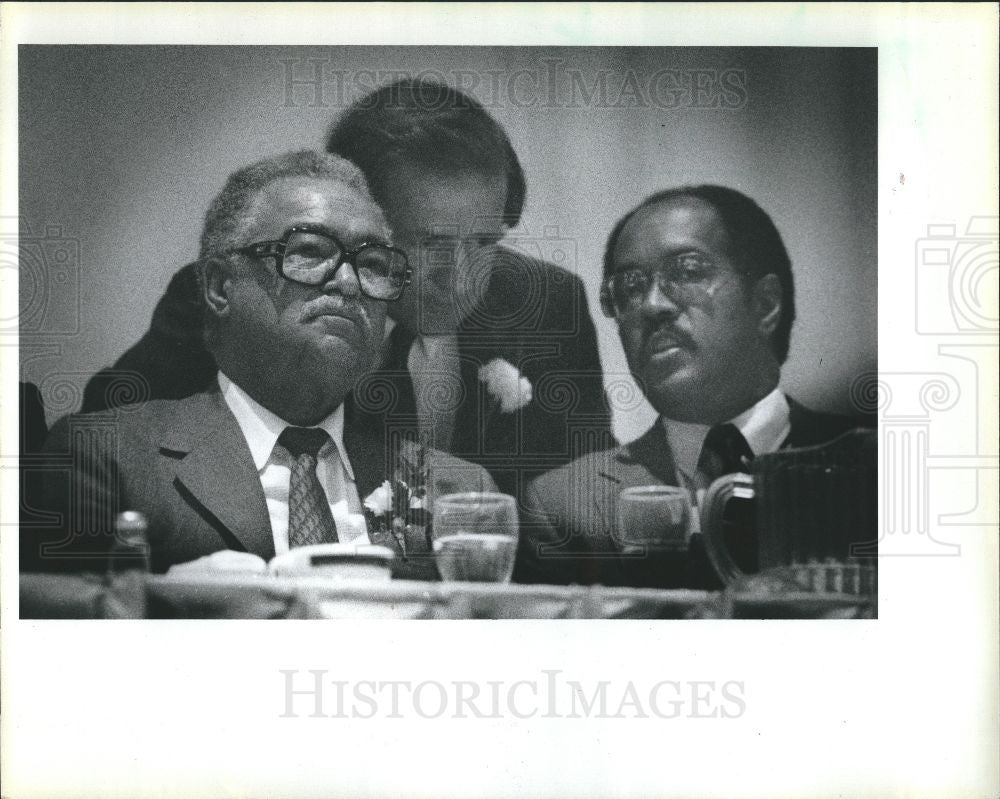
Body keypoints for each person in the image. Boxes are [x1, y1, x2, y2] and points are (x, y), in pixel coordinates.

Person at [80, 79, 611, 505]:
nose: (460, 274)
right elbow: (113, 431)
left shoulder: (548, 303)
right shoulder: (250, 291)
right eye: (429, 242)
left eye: (484, 240)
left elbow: (587, 490)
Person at [27, 151, 495, 575]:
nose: (350, 283)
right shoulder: (106, 457)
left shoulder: (453, 487)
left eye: (372, 262)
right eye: (309, 251)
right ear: (218, 286)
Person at [516, 185, 872, 589]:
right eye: (630, 287)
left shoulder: (878, 465)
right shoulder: (563, 505)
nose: (652, 305)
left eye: (687, 272)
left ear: (765, 304)